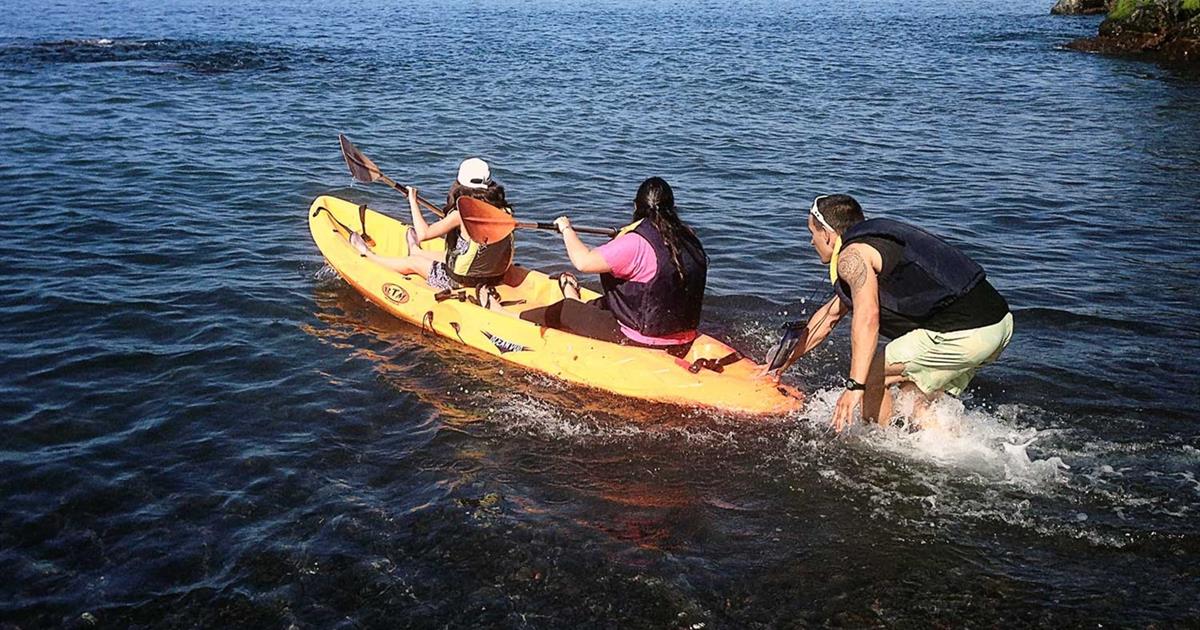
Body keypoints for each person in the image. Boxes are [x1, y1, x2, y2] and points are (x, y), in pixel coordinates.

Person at [773, 194, 1013, 432]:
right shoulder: (874, 244)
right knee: (912, 393)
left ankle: (872, 447)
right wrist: (783, 363)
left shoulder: (851, 257)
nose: (811, 242)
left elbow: (867, 317)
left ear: (826, 234)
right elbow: (830, 316)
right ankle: (963, 453)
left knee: (873, 375)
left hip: (965, 332)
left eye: (811, 234)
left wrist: (855, 385)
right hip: (998, 324)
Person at [519, 177, 708, 350]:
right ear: (672, 207)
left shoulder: (635, 243)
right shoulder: (689, 237)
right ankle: (570, 290)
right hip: (683, 332)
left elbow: (583, 262)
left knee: (566, 310)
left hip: (639, 336)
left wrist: (566, 229)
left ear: (636, 206)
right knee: (597, 304)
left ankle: (516, 321)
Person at [351, 158, 514, 308]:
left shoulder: (460, 215)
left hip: (459, 281)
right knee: (446, 255)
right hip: (493, 277)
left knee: (412, 262)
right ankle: (417, 250)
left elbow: (424, 233)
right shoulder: (504, 212)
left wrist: (412, 201)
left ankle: (368, 253)